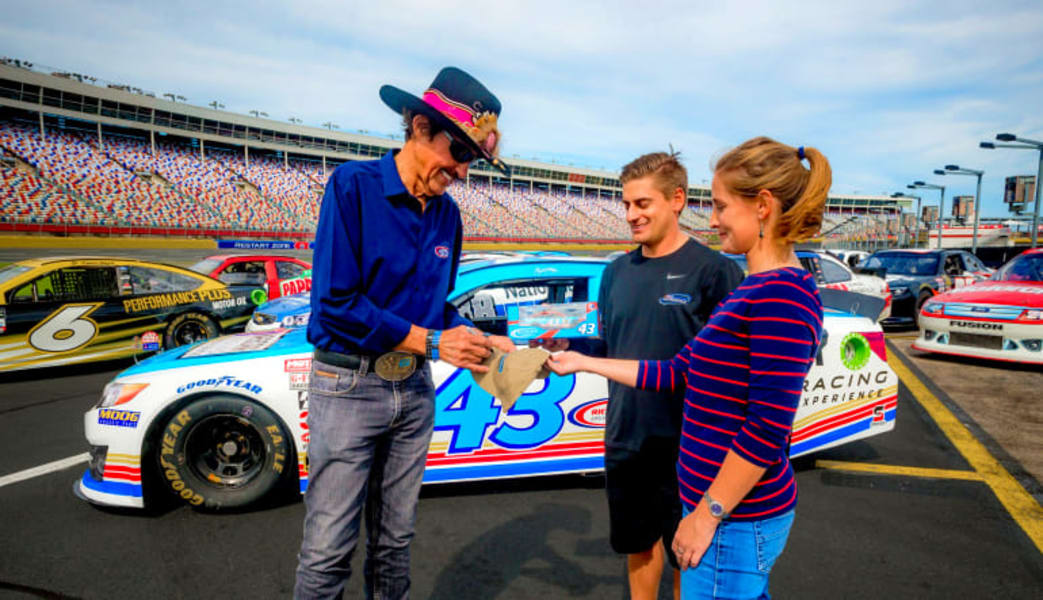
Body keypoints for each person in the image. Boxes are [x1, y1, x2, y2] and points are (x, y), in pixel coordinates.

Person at [548, 137, 829, 599]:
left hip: (731, 518)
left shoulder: (778, 295)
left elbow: (766, 428)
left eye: (720, 206)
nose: (712, 219)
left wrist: (705, 515)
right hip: (712, 505)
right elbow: (675, 370)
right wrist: (579, 358)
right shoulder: (755, 289)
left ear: (762, 206)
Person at [295, 66, 515, 600]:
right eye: (459, 153)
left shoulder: (448, 217)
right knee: (328, 550)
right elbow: (336, 303)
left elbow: (431, 308)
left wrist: (479, 336)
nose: (463, 171)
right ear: (419, 127)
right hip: (349, 387)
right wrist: (436, 343)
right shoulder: (353, 186)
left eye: (471, 160)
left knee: (394, 544)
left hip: (414, 391)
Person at [536, 152, 743, 600]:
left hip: (692, 442)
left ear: (677, 200)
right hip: (628, 436)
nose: (631, 215)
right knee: (639, 547)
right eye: (626, 204)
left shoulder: (716, 271)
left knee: (688, 554)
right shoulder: (614, 273)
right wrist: (570, 345)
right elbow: (612, 345)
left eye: (642, 204)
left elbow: (726, 369)